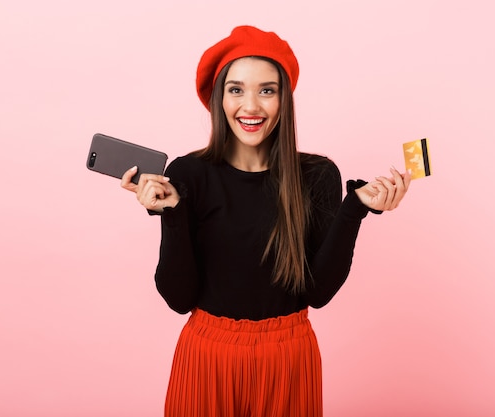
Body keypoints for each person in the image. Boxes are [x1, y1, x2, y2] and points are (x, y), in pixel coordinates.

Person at [120, 25, 411, 417]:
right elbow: (178, 298)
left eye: (267, 90)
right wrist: (171, 214)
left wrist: (354, 209)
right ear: (219, 98)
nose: (251, 106)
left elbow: (317, 293)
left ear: (284, 100)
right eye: (236, 89)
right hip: (208, 358)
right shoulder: (189, 174)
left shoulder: (318, 175)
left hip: (288, 359)